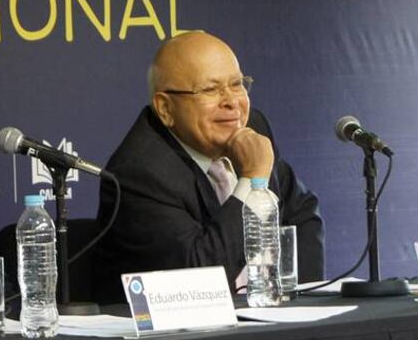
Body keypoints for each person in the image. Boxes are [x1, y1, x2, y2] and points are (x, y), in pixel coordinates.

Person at [93, 31, 324, 303]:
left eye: (237, 84)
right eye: (210, 90)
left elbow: (301, 212)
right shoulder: (139, 173)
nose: (232, 102)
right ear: (165, 108)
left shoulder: (250, 128)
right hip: (175, 339)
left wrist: (298, 300)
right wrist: (252, 181)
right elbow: (197, 277)